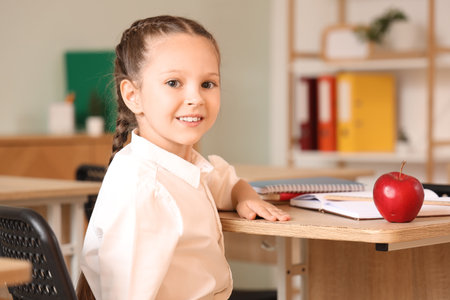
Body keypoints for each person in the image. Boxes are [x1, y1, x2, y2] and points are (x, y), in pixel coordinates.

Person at [77, 15, 290, 300]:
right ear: (132, 95)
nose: (196, 98)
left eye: (208, 84)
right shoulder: (145, 189)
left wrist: (245, 195)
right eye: (174, 82)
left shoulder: (182, 166)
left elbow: (223, 182)